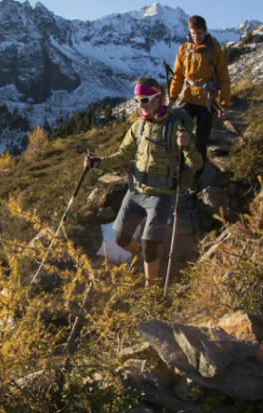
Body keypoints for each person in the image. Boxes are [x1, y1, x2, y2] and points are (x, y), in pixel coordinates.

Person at [85, 77, 202, 288]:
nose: (141, 105)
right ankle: (137, 255)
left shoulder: (174, 127)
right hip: (136, 190)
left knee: (150, 245)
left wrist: (187, 147)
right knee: (121, 238)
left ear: (159, 98)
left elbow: (196, 162)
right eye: (138, 100)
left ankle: (152, 290)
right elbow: (122, 154)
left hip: (162, 194)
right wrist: (97, 163)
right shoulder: (138, 126)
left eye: (145, 99)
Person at [169, 15, 231, 188]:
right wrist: (173, 98)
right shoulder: (184, 50)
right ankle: (179, 172)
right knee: (178, 134)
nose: (196, 36)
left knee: (201, 139)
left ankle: (196, 178)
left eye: (199, 32)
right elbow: (178, 76)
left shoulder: (215, 52)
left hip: (207, 99)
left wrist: (225, 104)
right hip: (187, 96)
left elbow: (224, 80)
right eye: (193, 33)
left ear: (205, 31)